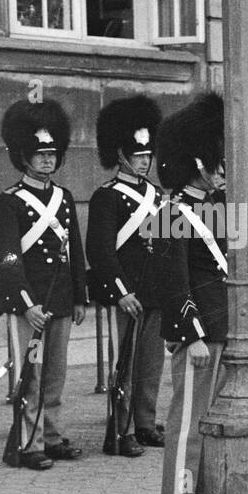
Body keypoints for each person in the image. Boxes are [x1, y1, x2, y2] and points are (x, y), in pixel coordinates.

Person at [0, 97, 87, 470]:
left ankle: (52, 435)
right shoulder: (8, 203)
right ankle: (29, 444)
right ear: (23, 157)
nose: (47, 159)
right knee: (30, 376)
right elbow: (6, 259)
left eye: (52, 153)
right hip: (28, 306)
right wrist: (26, 301)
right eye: (39, 154)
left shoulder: (62, 198)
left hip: (60, 301)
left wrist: (80, 296)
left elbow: (74, 250)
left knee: (55, 376)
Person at [153, 92, 227, 494]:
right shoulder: (171, 211)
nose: (221, 169)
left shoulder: (212, 207)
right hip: (198, 331)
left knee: (211, 419)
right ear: (196, 162)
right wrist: (191, 333)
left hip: (219, 327)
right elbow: (172, 280)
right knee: (187, 420)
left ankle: (199, 492)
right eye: (215, 161)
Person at [87, 94, 166, 456]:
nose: (145, 162)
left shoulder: (157, 195)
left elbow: (169, 242)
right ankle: (121, 431)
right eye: (139, 156)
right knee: (125, 365)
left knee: (150, 364)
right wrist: (120, 292)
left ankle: (145, 423)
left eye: (148, 156)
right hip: (125, 295)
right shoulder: (107, 197)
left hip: (154, 291)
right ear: (121, 155)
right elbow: (100, 253)